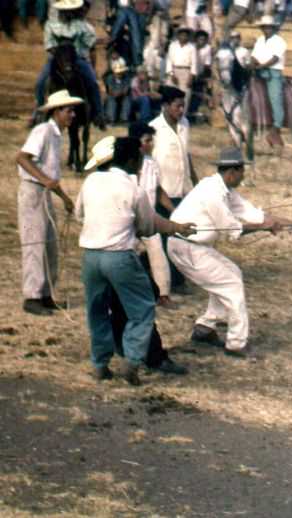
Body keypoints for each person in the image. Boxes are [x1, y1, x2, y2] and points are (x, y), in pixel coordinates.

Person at [166, 148, 292, 358]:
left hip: (196, 247)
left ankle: (205, 328)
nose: (244, 175)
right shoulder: (211, 193)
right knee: (231, 285)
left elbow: (255, 214)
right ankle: (236, 344)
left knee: (232, 274)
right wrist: (264, 227)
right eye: (242, 171)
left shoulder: (225, 190)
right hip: (184, 248)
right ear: (232, 172)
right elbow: (231, 230)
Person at [76, 136, 195, 385]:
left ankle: (100, 364)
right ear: (132, 160)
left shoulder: (91, 181)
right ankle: (132, 360)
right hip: (118, 256)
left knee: (97, 311)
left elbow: (79, 214)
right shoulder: (134, 189)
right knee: (141, 309)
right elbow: (147, 225)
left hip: (90, 256)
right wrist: (175, 227)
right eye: (139, 160)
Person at [16, 90, 82, 316]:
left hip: (43, 192)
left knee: (50, 245)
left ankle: (46, 294)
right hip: (32, 192)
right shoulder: (42, 131)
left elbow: (51, 176)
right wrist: (44, 181)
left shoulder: (57, 135)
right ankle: (32, 296)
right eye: (68, 110)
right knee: (34, 244)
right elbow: (22, 158)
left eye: (73, 110)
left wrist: (65, 199)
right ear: (56, 112)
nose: (72, 114)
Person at [150, 86, 197, 290]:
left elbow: (186, 156)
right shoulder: (154, 129)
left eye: (183, 106)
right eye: (178, 106)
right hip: (162, 193)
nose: (181, 111)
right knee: (162, 239)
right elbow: (149, 164)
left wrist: (195, 183)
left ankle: (178, 280)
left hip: (182, 191)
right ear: (166, 106)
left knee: (180, 238)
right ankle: (162, 284)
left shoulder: (185, 124)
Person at [129, 121, 175, 306]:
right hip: (129, 220)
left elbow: (158, 190)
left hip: (149, 219)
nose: (151, 144)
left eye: (152, 140)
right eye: (147, 140)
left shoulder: (152, 162)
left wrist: (174, 211)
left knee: (158, 253)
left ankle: (163, 294)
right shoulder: (127, 162)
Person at [34, 0, 102, 124]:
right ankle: (38, 111)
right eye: (64, 11)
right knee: (40, 82)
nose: (66, 13)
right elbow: (49, 45)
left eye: (69, 11)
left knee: (92, 82)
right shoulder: (51, 24)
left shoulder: (82, 25)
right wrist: (62, 54)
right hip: (57, 58)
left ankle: (98, 113)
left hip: (78, 59)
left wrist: (73, 54)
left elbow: (89, 44)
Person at [251, 15, 288, 148]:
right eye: (265, 27)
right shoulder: (260, 40)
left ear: (273, 28)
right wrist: (253, 63)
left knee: (275, 97)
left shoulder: (280, 41)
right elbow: (254, 55)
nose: (267, 29)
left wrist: (261, 66)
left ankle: (277, 126)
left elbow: (275, 59)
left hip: (273, 72)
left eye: (269, 27)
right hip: (258, 70)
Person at [166, 26, 198, 110]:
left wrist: (191, 76)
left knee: (185, 95)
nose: (184, 37)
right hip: (174, 70)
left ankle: (181, 117)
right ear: (178, 35)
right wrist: (171, 74)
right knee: (169, 94)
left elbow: (194, 63)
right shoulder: (173, 45)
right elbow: (169, 60)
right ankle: (168, 116)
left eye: (185, 35)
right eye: (182, 35)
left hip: (186, 71)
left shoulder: (192, 47)